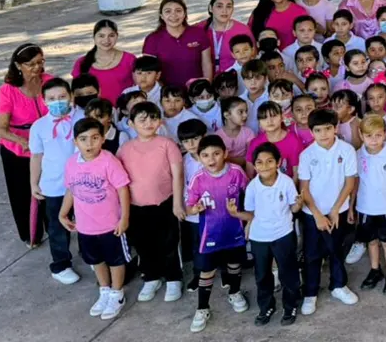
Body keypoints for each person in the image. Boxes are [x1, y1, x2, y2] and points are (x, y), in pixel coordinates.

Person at [60, 117, 132, 320]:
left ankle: (117, 294)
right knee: (96, 259)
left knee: (115, 260)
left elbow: (122, 189)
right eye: (83, 139)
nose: (89, 143)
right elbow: (71, 190)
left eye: (94, 138)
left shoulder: (109, 161)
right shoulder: (71, 163)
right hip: (85, 226)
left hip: (111, 225)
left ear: (102, 139)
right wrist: (63, 212)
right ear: (75, 142)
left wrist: (124, 218)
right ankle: (105, 290)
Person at [117, 102, 185, 304]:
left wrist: (177, 203)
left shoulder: (167, 144)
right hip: (136, 206)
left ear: (160, 121)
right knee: (143, 243)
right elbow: (119, 180)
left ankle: (173, 277)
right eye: (142, 119)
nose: (148, 123)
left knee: (169, 241)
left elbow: (178, 175)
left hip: (165, 203)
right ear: (131, 123)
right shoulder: (125, 149)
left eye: (153, 118)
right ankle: (151, 276)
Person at [183, 134, 250, 332]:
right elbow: (189, 206)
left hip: (234, 230)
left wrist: (248, 220)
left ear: (225, 153)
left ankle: (235, 292)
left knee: (234, 264)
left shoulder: (236, 172)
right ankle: (202, 307)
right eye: (205, 155)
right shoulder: (198, 178)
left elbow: (249, 194)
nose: (211, 159)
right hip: (210, 233)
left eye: (216, 154)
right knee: (207, 270)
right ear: (199, 157)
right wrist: (194, 210)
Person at [297, 109, 360, 314]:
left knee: (336, 250)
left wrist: (335, 210)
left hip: (338, 210)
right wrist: (317, 214)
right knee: (312, 254)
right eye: (318, 130)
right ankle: (310, 293)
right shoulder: (307, 155)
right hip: (312, 214)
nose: (323, 134)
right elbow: (304, 188)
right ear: (311, 132)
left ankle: (338, 285)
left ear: (336, 128)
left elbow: (350, 181)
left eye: (328, 128)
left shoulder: (347, 150)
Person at [233, 142, 302, 326]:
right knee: (262, 275)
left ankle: (290, 305)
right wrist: (236, 214)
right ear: (254, 166)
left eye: (270, 161)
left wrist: (298, 204)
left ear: (279, 162)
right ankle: (266, 307)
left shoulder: (286, 182)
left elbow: (293, 207)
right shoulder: (253, 187)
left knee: (288, 272)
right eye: (260, 162)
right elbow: (251, 214)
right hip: (259, 237)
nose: (265, 166)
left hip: (283, 234)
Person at [0, 43, 50, 247]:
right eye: (31, 64)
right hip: (18, 149)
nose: (37, 68)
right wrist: (21, 141)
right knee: (22, 193)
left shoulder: (49, 82)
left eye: (40, 62)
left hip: (46, 146)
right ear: (18, 65)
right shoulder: (8, 90)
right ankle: (30, 234)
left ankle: (52, 225)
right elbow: (1, 128)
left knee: (48, 189)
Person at [30, 78, 80, 284]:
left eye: (62, 97)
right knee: (57, 226)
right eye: (51, 98)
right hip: (53, 186)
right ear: (43, 101)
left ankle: (94, 258)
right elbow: (36, 156)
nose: (57, 101)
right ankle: (60, 264)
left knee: (87, 221)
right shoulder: (39, 127)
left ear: (71, 97)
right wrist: (34, 183)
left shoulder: (81, 120)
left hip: (81, 183)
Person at [353, 114, 386, 293]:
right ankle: (375, 270)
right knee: (372, 241)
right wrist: (353, 206)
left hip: (385, 208)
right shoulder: (359, 155)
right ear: (361, 135)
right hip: (365, 208)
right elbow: (356, 181)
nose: (374, 140)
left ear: (385, 134)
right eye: (369, 136)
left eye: (378, 135)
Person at [143, 0, 214, 87]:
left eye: (178, 10)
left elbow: (206, 63)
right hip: (168, 96)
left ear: (184, 14)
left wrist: (206, 87)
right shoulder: (152, 39)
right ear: (161, 16)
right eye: (168, 11)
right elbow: (149, 71)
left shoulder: (198, 33)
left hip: (197, 92)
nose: (173, 15)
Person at [72, 20, 137, 106]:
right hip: (94, 112)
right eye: (101, 36)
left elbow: (139, 86)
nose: (106, 40)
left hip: (124, 111)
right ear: (94, 37)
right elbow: (75, 93)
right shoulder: (82, 62)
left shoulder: (129, 59)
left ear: (117, 36)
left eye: (111, 35)